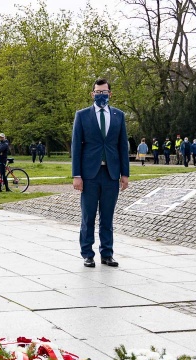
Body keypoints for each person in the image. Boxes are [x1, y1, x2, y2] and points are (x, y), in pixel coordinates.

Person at [71, 77, 129, 269]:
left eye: (104, 92)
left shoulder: (119, 116)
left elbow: (122, 147)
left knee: (107, 217)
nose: (101, 95)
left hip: (111, 173)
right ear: (92, 93)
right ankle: (87, 254)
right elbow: (76, 147)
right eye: (98, 92)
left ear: (110, 94)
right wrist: (76, 175)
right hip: (89, 175)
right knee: (88, 216)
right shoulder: (82, 115)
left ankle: (107, 253)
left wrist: (125, 173)